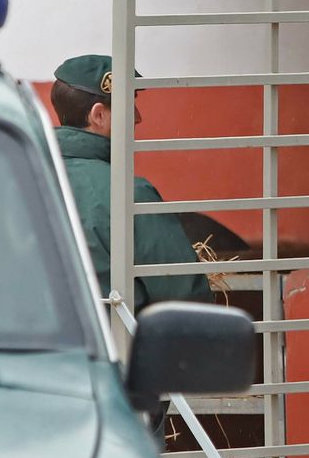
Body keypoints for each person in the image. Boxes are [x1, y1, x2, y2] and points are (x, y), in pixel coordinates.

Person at [51, 55, 213, 314]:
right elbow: (186, 303)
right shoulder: (131, 194)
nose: (138, 118)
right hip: (117, 350)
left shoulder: (19, 181)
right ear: (99, 115)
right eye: (129, 105)